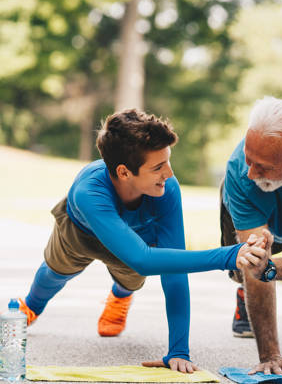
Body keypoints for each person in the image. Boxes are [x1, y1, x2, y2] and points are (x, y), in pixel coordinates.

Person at [19, 109, 267, 373]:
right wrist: (228, 255)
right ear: (124, 172)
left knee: (132, 277)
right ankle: (30, 308)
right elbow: (144, 259)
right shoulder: (88, 193)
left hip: (134, 235)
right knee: (54, 273)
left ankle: (120, 295)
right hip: (81, 233)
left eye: (167, 161)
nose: (170, 174)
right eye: (158, 167)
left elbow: (173, 271)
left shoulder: (166, 189)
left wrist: (179, 349)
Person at [221, 95, 282, 376]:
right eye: (249, 159)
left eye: (262, 165)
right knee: (244, 269)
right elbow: (257, 263)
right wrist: (270, 355)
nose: (251, 172)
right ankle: (246, 294)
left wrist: (271, 269)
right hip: (259, 217)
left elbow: (266, 269)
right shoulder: (240, 175)